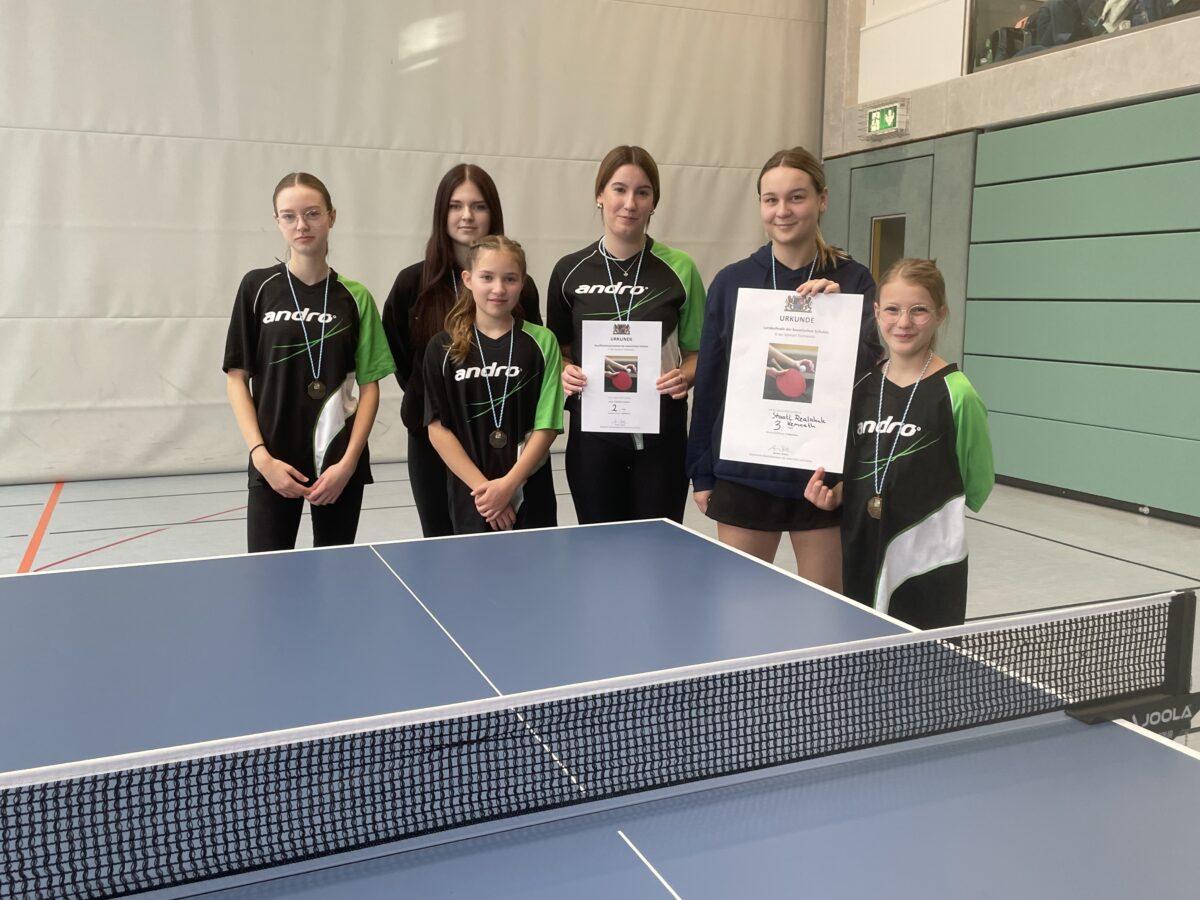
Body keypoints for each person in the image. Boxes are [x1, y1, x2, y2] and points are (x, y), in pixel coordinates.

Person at [687, 146, 882, 586]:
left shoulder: (854, 281)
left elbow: (874, 377)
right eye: (771, 199)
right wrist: (701, 470)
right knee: (737, 618)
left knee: (828, 622)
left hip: (823, 479)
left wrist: (847, 314)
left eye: (797, 197)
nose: (783, 211)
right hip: (744, 473)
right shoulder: (731, 281)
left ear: (822, 200)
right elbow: (712, 381)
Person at [805, 258, 994, 628]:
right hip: (861, 547)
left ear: (941, 314)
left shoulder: (958, 393)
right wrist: (840, 492)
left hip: (927, 559)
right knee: (859, 650)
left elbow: (977, 485)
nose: (904, 322)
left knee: (924, 666)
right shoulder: (861, 387)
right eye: (892, 309)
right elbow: (854, 463)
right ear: (876, 313)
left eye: (919, 310)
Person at [224, 172, 395, 552]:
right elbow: (237, 379)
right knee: (268, 579)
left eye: (313, 213)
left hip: (337, 463)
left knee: (334, 577)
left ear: (332, 216)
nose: (301, 225)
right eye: (289, 216)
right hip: (273, 462)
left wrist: (348, 465)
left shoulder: (355, 297)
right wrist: (261, 457)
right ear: (277, 222)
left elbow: (370, 388)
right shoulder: (257, 288)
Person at [547, 145, 705, 524]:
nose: (629, 203)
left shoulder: (680, 268)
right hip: (594, 438)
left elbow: (699, 353)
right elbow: (558, 351)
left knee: (658, 550)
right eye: (619, 189)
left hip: (661, 438)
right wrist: (565, 370)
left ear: (654, 203)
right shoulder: (569, 271)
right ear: (599, 195)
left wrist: (682, 376)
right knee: (599, 549)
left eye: (642, 192)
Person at [382, 164, 542, 537]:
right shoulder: (412, 283)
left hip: (504, 443)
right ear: (442, 213)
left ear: (493, 213)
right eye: (456, 206)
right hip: (435, 440)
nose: (467, 216)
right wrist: (440, 404)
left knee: (514, 551)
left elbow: (533, 356)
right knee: (442, 546)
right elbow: (402, 355)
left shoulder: (523, 286)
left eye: (478, 206)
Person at [423, 235, 563, 534]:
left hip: (530, 490)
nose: (498, 289)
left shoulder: (542, 342)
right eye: (487, 277)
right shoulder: (442, 347)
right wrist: (487, 492)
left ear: (522, 283)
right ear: (468, 279)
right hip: (473, 496)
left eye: (509, 279)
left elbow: (547, 425)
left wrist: (509, 485)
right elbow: (437, 428)